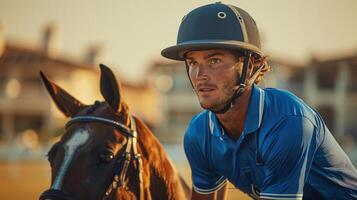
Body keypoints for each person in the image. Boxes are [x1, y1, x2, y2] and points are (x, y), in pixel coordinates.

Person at [161, 2, 357, 200]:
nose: (200, 75)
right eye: (193, 62)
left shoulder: (288, 122)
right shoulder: (198, 134)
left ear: (250, 65)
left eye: (214, 61)